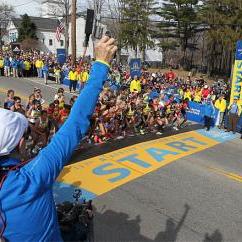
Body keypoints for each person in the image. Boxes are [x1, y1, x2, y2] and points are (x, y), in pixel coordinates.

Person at [0, 36, 117, 241]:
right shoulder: (33, 177)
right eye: (24, 135)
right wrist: (101, 64)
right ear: (19, 144)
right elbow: (76, 123)